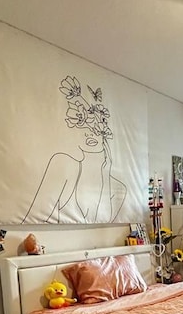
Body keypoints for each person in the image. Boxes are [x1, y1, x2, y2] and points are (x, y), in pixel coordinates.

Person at [22, 76, 127, 224]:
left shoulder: (117, 188)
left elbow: (103, 223)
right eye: (82, 127)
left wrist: (105, 170)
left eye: (95, 129)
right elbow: (33, 218)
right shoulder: (64, 164)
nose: (90, 133)